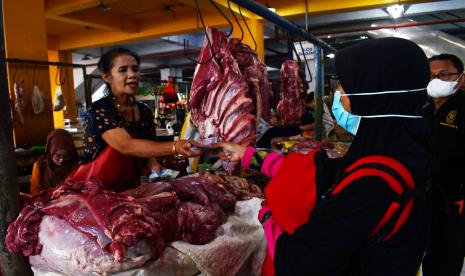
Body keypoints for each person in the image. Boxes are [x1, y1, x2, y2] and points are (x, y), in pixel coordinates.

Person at [213, 37, 432, 275]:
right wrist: (248, 156)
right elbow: (325, 171)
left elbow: (304, 262)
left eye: (345, 87)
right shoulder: (408, 148)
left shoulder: (373, 181)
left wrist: (266, 217)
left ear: (373, 95)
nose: (337, 93)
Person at [67, 48, 201, 191]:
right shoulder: (99, 109)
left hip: (128, 188)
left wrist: (153, 164)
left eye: (135, 69)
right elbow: (126, 145)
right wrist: (175, 147)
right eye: (123, 70)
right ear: (107, 77)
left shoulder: (144, 111)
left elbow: (146, 149)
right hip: (94, 190)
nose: (132, 74)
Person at [422, 54, 465, 276]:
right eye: (430, 76)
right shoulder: (425, 111)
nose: (436, 80)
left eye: (443, 74)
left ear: (461, 78)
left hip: (456, 201)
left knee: (447, 257)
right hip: (425, 197)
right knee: (427, 253)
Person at [30, 129, 78, 195]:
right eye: (58, 155)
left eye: (66, 156)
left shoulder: (75, 166)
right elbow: (34, 193)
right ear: (50, 151)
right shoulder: (40, 166)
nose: (61, 160)